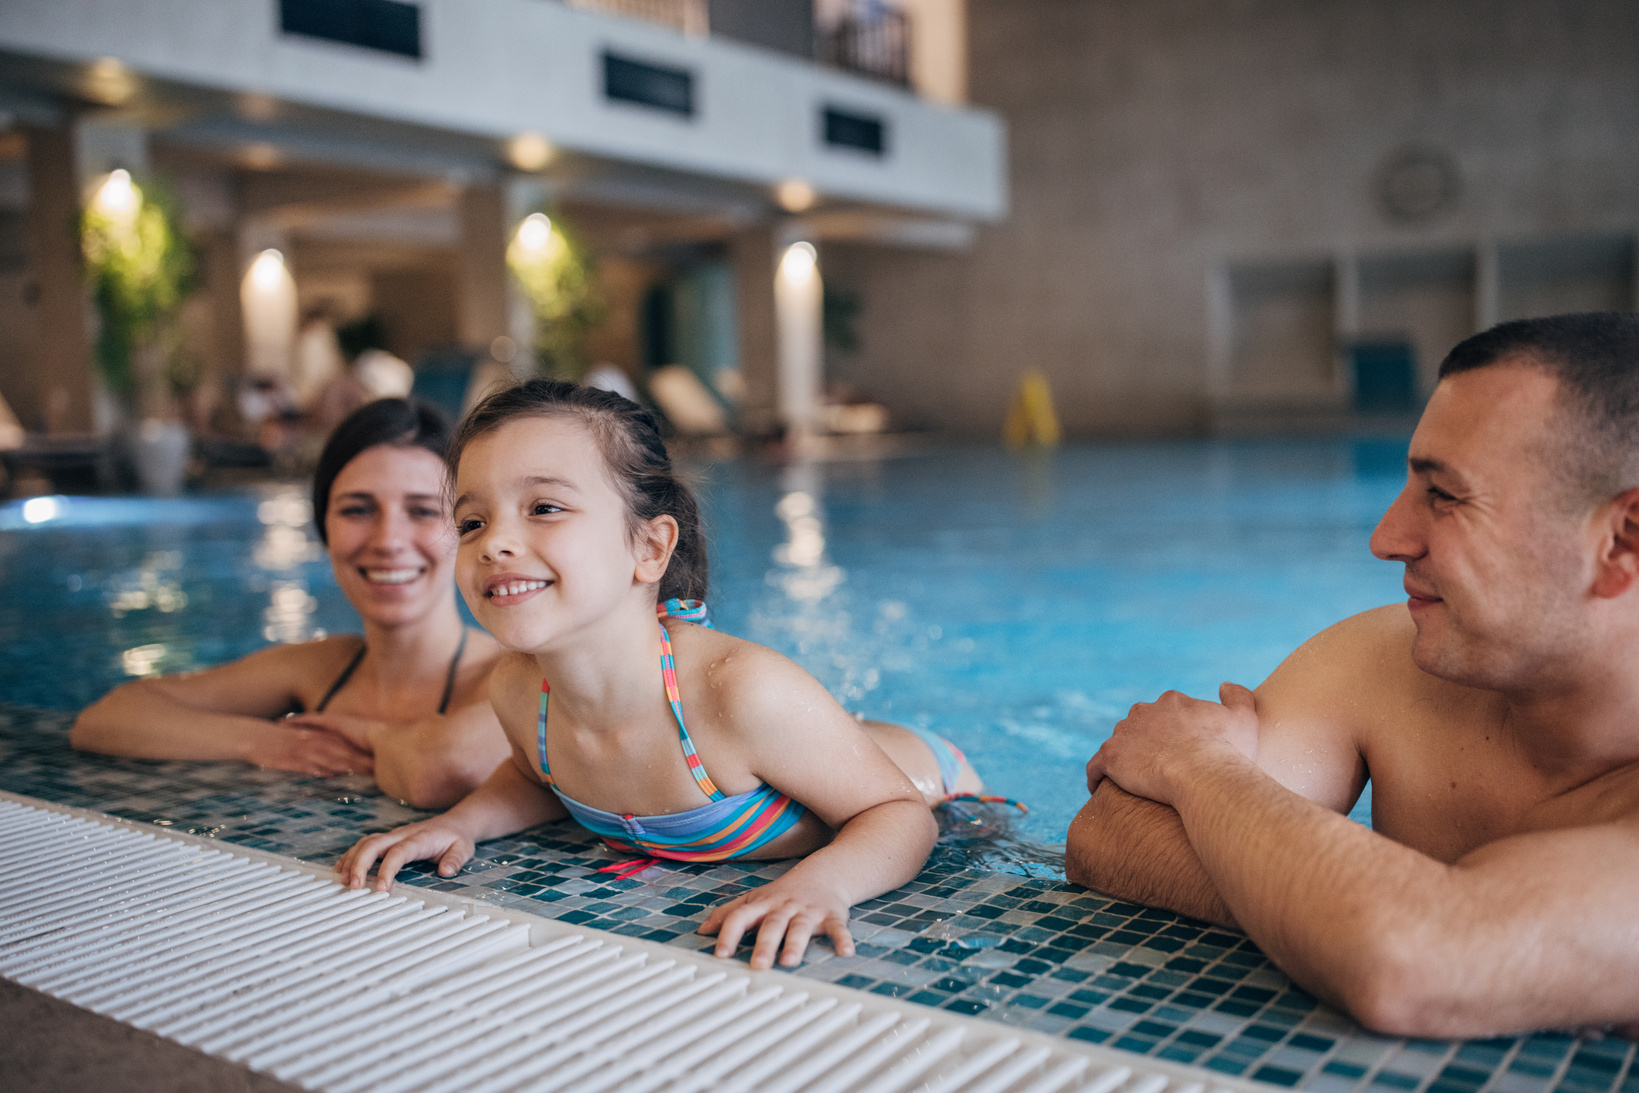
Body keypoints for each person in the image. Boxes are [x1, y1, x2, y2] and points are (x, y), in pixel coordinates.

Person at [1068, 312, 1639, 1039]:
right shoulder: (1388, 660)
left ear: (1619, 540)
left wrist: (1198, 769)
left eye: (1445, 495)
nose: (1385, 537)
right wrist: (1351, 909)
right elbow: (1108, 832)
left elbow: (1411, 962)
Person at [337, 380, 991, 971]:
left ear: (648, 547)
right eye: (472, 521)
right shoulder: (519, 689)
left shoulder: (737, 692)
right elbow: (538, 774)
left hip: (934, 792)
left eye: (543, 508)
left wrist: (822, 884)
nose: (494, 542)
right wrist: (462, 823)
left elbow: (897, 813)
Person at [72, 398, 510, 810]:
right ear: (325, 530)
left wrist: (368, 738)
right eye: (357, 510)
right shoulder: (319, 669)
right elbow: (105, 718)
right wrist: (266, 742)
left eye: (422, 511)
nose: (388, 542)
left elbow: (448, 766)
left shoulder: (508, 677)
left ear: (464, 531)